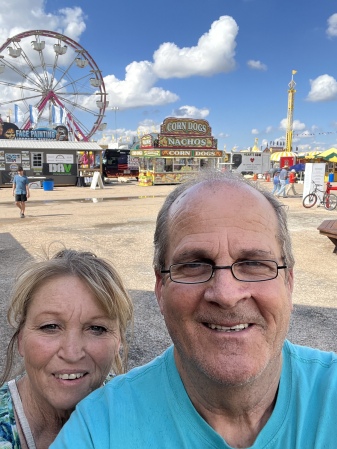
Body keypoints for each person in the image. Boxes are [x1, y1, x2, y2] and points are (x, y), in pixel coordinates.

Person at [51, 171, 337, 449]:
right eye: (194, 265)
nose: (226, 295)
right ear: (160, 288)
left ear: (288, 281)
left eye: (253, 263)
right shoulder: (100, 428)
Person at [0, 248, 133, 449]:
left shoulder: (137, 409)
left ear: (118, 342)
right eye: (50, 326)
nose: (72, 353)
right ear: (20, 339)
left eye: (96, 328)